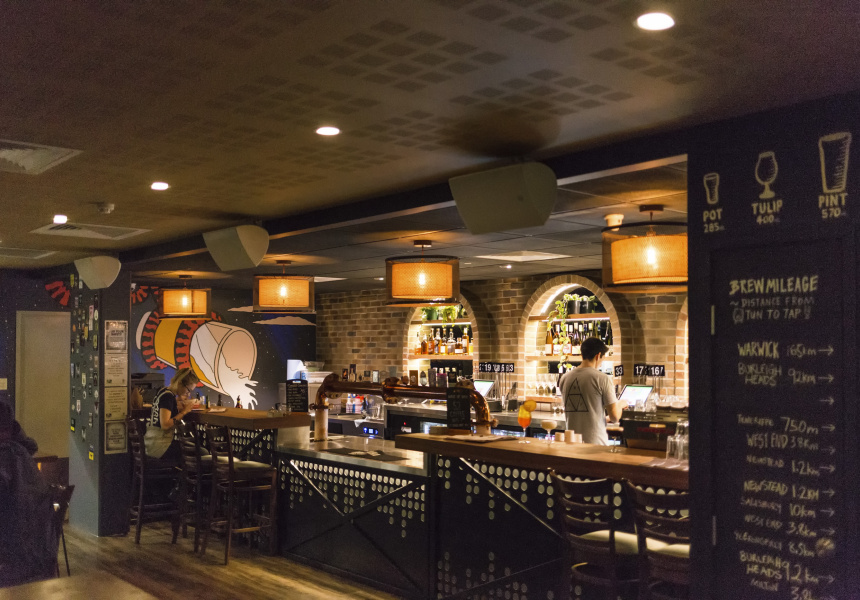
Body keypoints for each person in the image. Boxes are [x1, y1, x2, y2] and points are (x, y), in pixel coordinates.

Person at [558, 337, 622, 445]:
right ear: (598, 356)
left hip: (572, 444)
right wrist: (620, 404)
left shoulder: (565, 378)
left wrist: (604, 419)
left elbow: (585, 414)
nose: (601, 363)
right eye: (602, 359)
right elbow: (615, 417)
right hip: (595, 445)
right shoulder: (602, 378)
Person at [144, 368, 199, 462]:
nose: (188, 394)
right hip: (160, 447)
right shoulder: (168, 396)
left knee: (197, 449)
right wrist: (184, 412)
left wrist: (177, 406)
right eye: (188, 390)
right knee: (200, 451)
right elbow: (165, 425)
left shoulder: (163, 391)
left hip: (151, 443)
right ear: (180, 383)